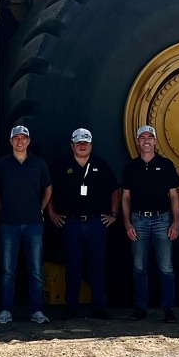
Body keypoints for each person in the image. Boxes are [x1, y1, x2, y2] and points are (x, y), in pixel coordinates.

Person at [47, 128, 119, 319]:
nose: (82, 145)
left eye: (85, 143)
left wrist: (113, 214)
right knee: (72, 266)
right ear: (72, 145)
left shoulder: (101, 165)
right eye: (78, 142)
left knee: (97, 265)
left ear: (91, 145)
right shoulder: (61, 166)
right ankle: (71, 306)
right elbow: (49, 190)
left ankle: (99, 306)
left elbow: (115, 190)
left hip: (97, 224)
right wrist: (52, 213)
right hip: (71, 224)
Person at [0, 124, 53, 325]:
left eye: (23, 138)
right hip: (9, 224)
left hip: (34, 224)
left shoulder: (39, 163)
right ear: (11, 141)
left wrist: (40, 209)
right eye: (16, 138)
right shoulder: (2, 164)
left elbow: (48, 187)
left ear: (28, 141)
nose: (20, 141)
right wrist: (4, 209)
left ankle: (36, 311)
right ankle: (6, 310)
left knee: (35, 270)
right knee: (8, 271)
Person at [120, 125, 179, 321]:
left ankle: (168, 309)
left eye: (150, 137)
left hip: (162, 219)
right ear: (137, 141)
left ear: (155, 141)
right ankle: (140, 308)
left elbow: (173, 196)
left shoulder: (166, 164)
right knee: (138, 266)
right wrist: (128, 223)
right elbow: (126, 197)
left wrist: (176, 222)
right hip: (138, 220)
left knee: (166, 266)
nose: (146, 141)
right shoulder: (131, 166)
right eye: (142, 138)